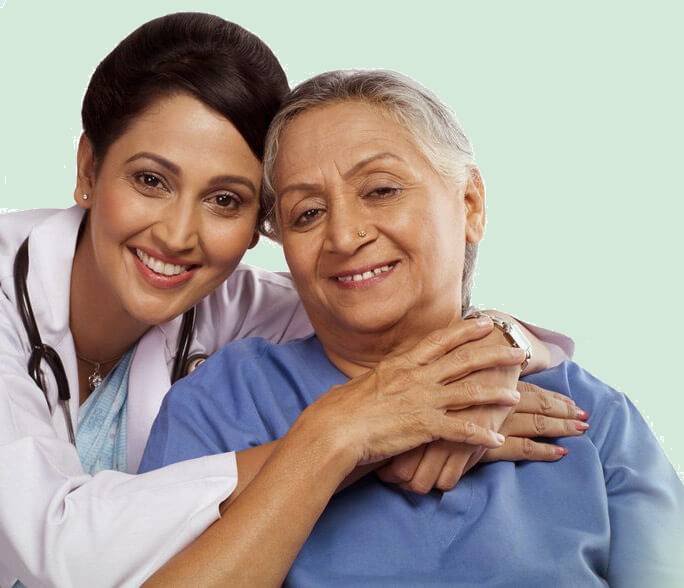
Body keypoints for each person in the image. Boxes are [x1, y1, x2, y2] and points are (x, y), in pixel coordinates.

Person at [0, 13, 580, 587]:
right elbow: (61, 553)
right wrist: (341, 438)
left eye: (225, 200)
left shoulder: (247, 308)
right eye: (151, 180)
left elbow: (397, 310)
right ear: (88, 170)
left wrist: (491, 354)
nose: (177, 235)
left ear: (261, 223)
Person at [141, 69, 684, 586]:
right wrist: (339, 436)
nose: (344, 236)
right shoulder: (222, 404)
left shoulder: (591, 416)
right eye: (307, 213)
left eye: (381, 190)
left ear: (470, 204)